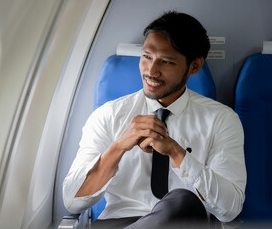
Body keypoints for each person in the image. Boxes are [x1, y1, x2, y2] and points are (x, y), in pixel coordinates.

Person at [63, 11, 246, 228]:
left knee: (184, 202)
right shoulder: (108, 115)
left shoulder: (221, 120)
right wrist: (118, 147)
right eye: (147, 57)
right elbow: (72, 202)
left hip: (182, 222)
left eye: (166, 62)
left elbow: (230, 209)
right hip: (117, 222)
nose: (151, 71)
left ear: (194, 66)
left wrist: (176, 153)